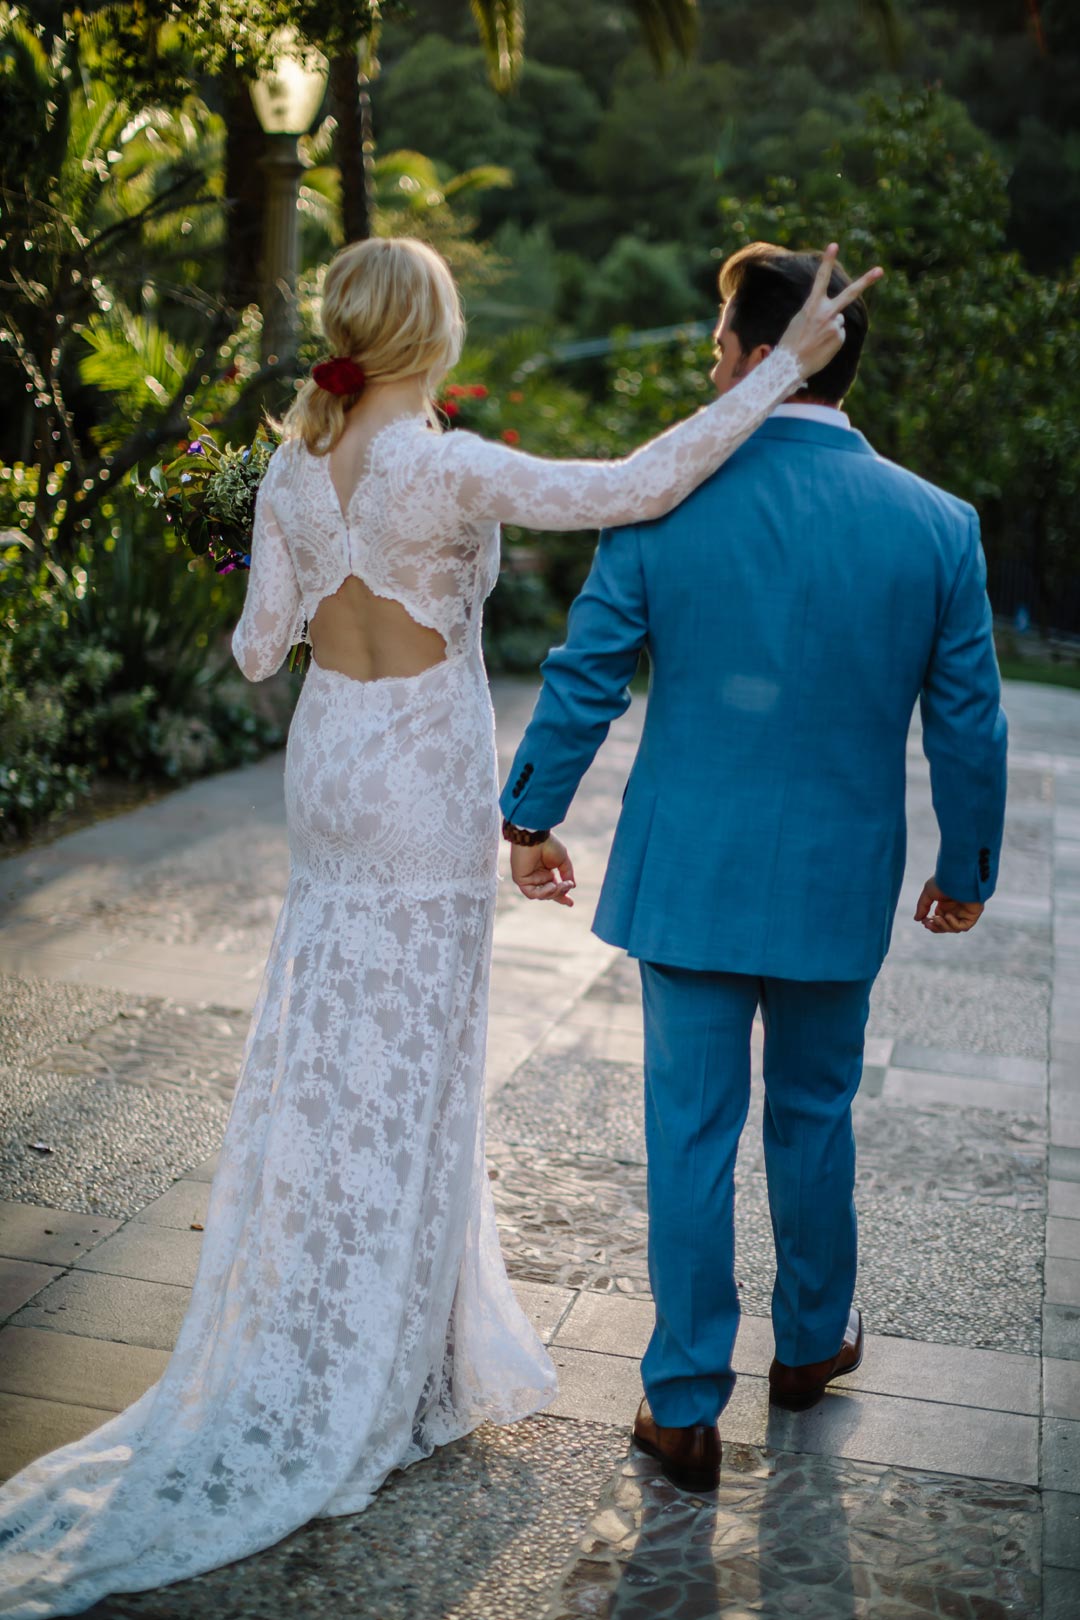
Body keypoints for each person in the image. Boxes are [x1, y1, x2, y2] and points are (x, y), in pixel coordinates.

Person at [0, 237, 879, 1614]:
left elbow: (252, 646)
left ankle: (326, 1326)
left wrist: (264, 535)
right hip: (416, 779)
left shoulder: (298, 462)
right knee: (406, 1070)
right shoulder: (447, 464)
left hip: (328, 768)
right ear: (430, 333)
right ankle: (378, 1361)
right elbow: (635, 485)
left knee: (322, 1042)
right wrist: (780, 371)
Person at [501, 241, 1007, 1495]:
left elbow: (587, 674)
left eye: (721, 337)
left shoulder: (666, 499)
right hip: (840, 881)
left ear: (758, 354)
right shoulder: (939, 525)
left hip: (692, 880)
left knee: (689, 1133)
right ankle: (812, 1345)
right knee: (815, 1115)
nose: (710, 357)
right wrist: (968, 864)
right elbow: (970, 722)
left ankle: (680, 1406)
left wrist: (531, 816)